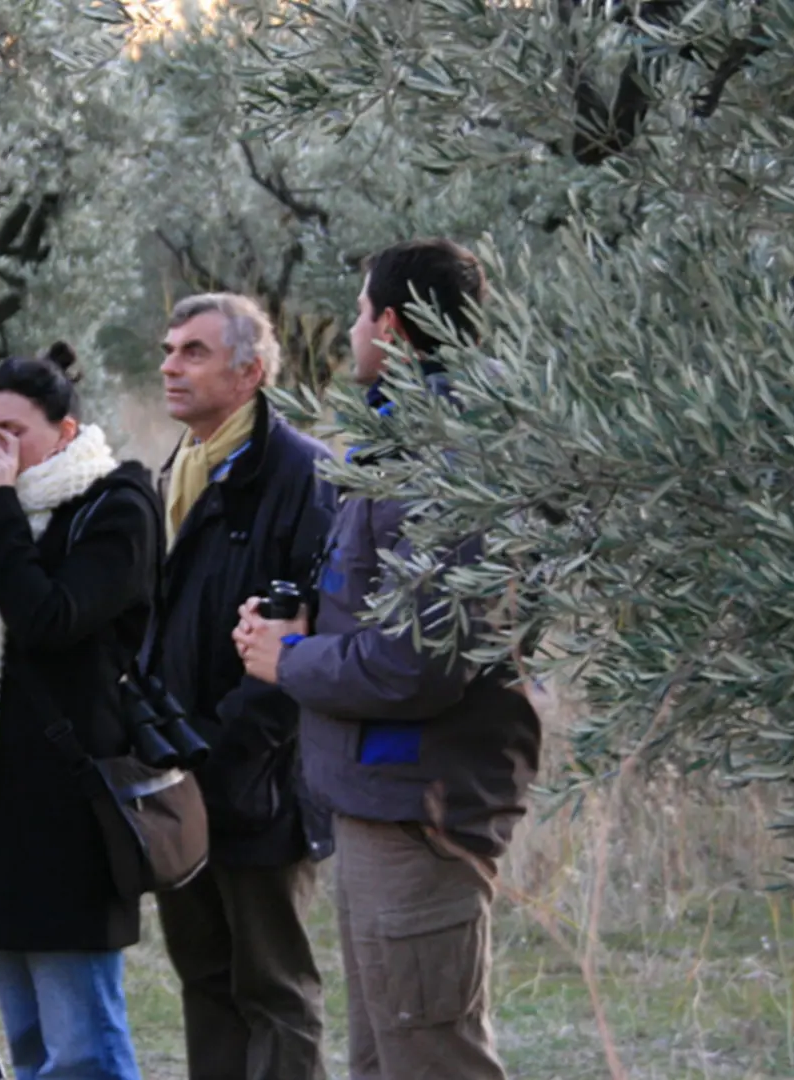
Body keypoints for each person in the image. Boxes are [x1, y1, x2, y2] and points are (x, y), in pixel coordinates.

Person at [234, 239, 542, 1080]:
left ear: (396, 328)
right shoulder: (404, 445)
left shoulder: (451, 463)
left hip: (419, 815)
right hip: (378, 808)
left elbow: (419, 663)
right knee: (383, 1060)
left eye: (363, 311)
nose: (352, 329)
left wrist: (290, 660)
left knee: (433, 1060)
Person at [0, 343, 160, 1080]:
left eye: (11, 431)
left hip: (72, 808)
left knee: (83, 1047)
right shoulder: (12, 514)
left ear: (66, 427)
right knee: (28, 1044)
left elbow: (51, 620)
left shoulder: (118, 508)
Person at [148, 294, 337, 1080]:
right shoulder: (181, 469)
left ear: (249, 371)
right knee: (207, 985)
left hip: (260, 787)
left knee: (275, 991)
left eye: (193, 351)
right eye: (168, 349)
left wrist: (220, 756)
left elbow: (306, 642)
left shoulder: (303, 475)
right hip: (179, 780)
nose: (169, 365)